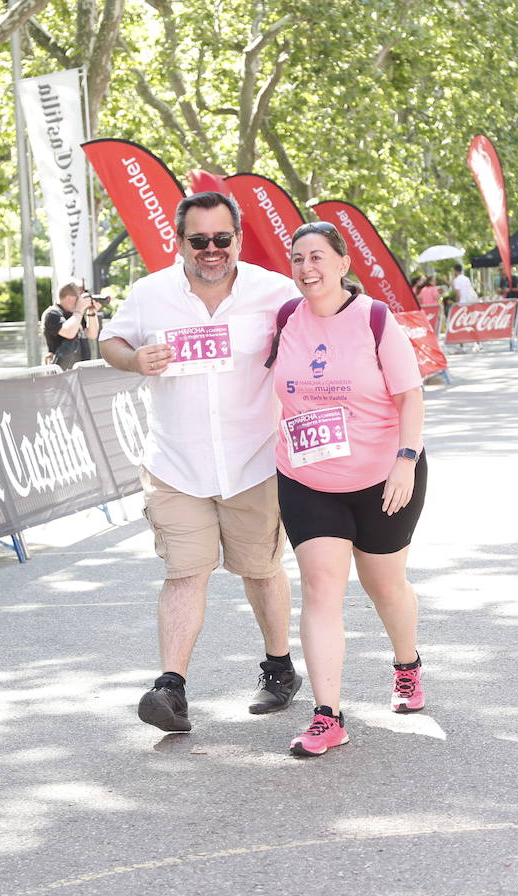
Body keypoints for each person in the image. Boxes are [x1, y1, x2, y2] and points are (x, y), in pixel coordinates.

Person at [99, 191, 302, 733]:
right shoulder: (150, 293)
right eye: (198, 241)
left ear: (238, 238)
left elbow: (320, 334)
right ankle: (171, 688)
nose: (211, 250)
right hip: (175, 464)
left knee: (260, 570)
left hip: (254, 461)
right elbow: (109, 340)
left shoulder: (276, 292)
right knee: (185, 573)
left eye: (222, 239)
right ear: (179, 241)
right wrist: (134, 359)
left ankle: (279, 669)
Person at [269, 222, 426, 757]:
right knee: (321, 587)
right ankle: (327, 715)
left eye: (317, 256)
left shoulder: (376, 320)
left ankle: (406, 665)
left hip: (382, 476)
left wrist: (405, 461)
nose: (306, 268)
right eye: (297, 259)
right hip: (307, 477)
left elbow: (410, 398)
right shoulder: (286, 319)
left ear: (342, 263)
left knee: (385, 585)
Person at [42, 282, 102, 370]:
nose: (81, 301)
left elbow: (92, 334)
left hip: (81, 369)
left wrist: (92, 312)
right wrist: (79, 309)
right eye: (79, 298)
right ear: (68, 298)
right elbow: (69, 333)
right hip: (62, 371)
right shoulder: (52, 314)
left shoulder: (76, 314)